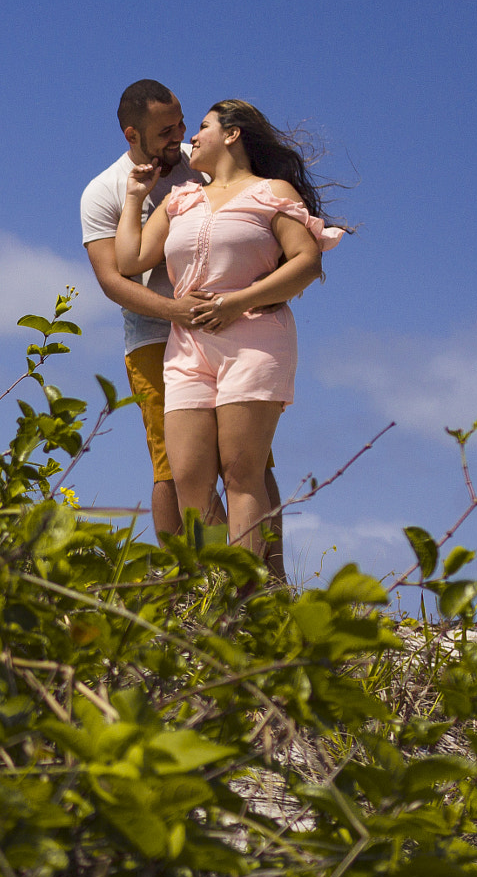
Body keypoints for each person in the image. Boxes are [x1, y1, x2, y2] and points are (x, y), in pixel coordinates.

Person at [114, 99, 340, 566]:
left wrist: (238, 301)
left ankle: (246, 599)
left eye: (202, 126)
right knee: (190, 479)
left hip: (254, 338)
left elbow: (306, 261)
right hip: (188, 346)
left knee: (241, 475)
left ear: (233, 134)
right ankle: (220, 588)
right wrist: (136, 197)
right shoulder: (182, 199)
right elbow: (130, 261)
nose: (191, 136)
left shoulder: (271, 192)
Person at [79, 80, 284, 575]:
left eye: (183, 122)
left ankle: (269, 582)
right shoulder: (104, 191)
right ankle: (195, 579)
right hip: (153, 337)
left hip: (229, 331)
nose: (181, 135)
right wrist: (174, 310)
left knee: (250, 466)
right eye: (166, 130)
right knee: (173, 467)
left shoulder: (204, 166)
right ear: (133, 133)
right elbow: (112, 276)